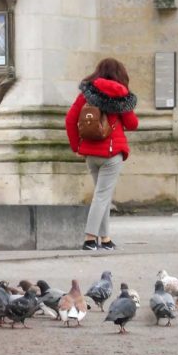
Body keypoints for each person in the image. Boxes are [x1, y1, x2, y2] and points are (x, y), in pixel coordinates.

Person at [65, 58, 139, 251]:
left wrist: (76, 146)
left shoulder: (88, 93)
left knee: (102, 196)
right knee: (102, 196)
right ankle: (90, 239)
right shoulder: (121, 95)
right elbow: (132, 124)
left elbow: (70, 119)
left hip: (90, 153)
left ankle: (105, 239)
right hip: (111, 153)